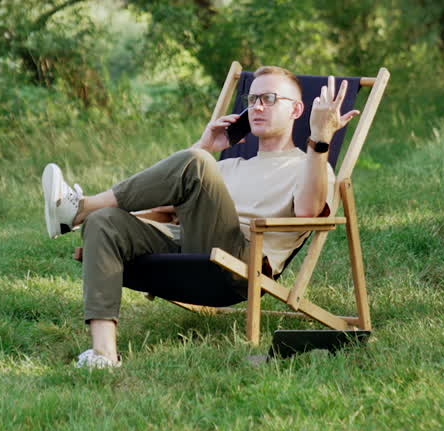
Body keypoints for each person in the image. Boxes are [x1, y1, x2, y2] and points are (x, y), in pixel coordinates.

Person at [40, 66, 360, 369]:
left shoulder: (310, 166)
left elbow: (308, 213)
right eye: (252, 99)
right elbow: (163, 206)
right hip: (191, 248)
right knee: (104, 221)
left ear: (296, 110)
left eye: (270, 98)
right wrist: (205, 146)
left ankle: (81, 209)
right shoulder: (226, 167)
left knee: (195, 163)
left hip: (240, 266)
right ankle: (104, 354)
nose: (257, 107)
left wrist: (320, 139)